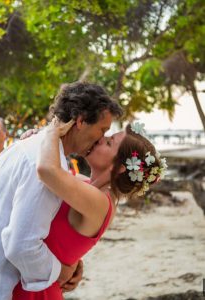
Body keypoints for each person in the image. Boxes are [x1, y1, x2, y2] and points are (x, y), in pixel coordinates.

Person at [0, 81, 123, 300]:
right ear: (80, 121)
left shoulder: (35, 148)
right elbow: (21, 246)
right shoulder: (44, 166)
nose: (101, 139)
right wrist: (61, 271)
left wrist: (70, 261)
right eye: (102, 130)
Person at [12, 119, 167, 299]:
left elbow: (48, 169)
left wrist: (51, 131)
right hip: (28, 280)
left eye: (109, 143)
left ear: (120, 167)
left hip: (35, 292)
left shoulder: (101, 202)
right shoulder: (85, 184)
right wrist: (35, 140)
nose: (100, 138)